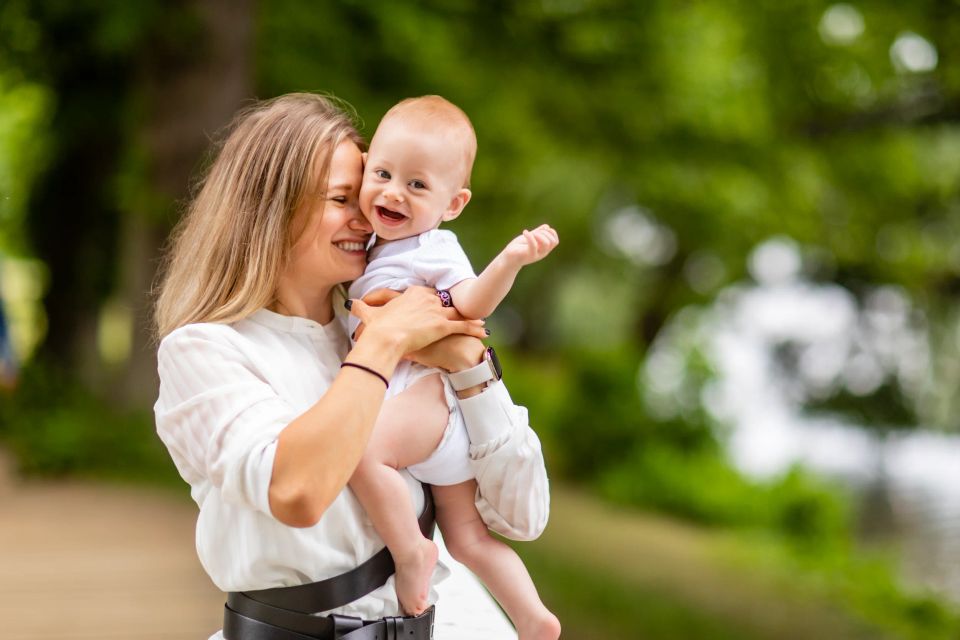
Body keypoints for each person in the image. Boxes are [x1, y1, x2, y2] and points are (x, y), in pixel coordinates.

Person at [153, 93, 551, 640]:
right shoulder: (205, 351)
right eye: (344, 197)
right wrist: (383, 345)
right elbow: (296, 492)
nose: (368, 215)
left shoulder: (387, 321)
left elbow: (521, 517)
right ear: (272, 207)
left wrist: (471, 368)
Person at [346, 96, 560, 640]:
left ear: (453, 203)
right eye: (384, 174)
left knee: (358, 451)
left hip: (429, 404)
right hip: (436, 425)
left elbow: (471, 303)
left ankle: (412, 552)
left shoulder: (430, 247)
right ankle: (534, 618)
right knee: (467, 540)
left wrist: (508, 261)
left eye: (418, 186)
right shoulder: (370, 245)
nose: (394, 192)